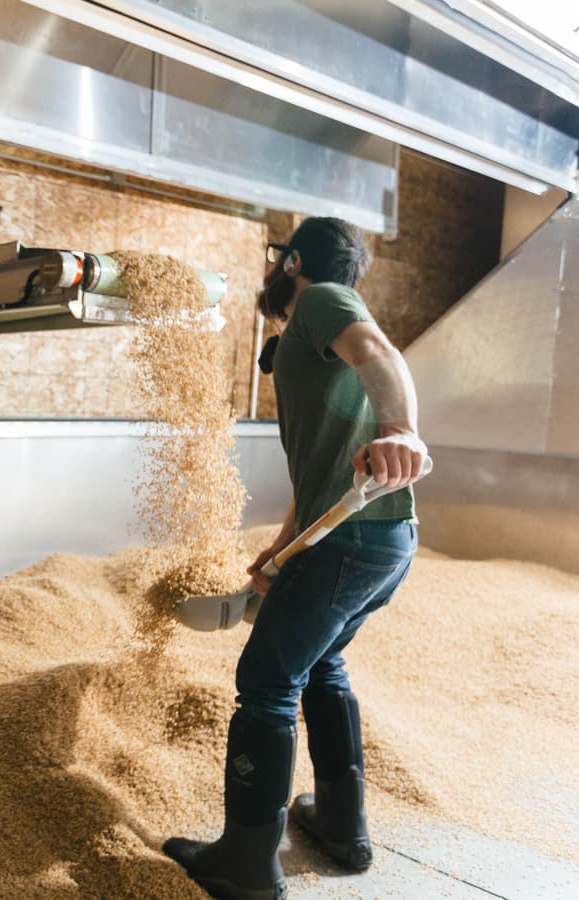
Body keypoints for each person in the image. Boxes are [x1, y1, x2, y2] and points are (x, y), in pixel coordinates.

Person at [162, 217, 428, 900]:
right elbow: (319, 478)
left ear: (294, 261)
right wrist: (281, 551)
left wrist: (402, 432)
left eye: (282, 259)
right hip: (375, 539)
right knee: (321, 664)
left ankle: (246, 863)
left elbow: (380, 351)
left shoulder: (321, 299)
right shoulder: (313, 342)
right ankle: (341, 827)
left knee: (266, 682)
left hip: (349, 542)